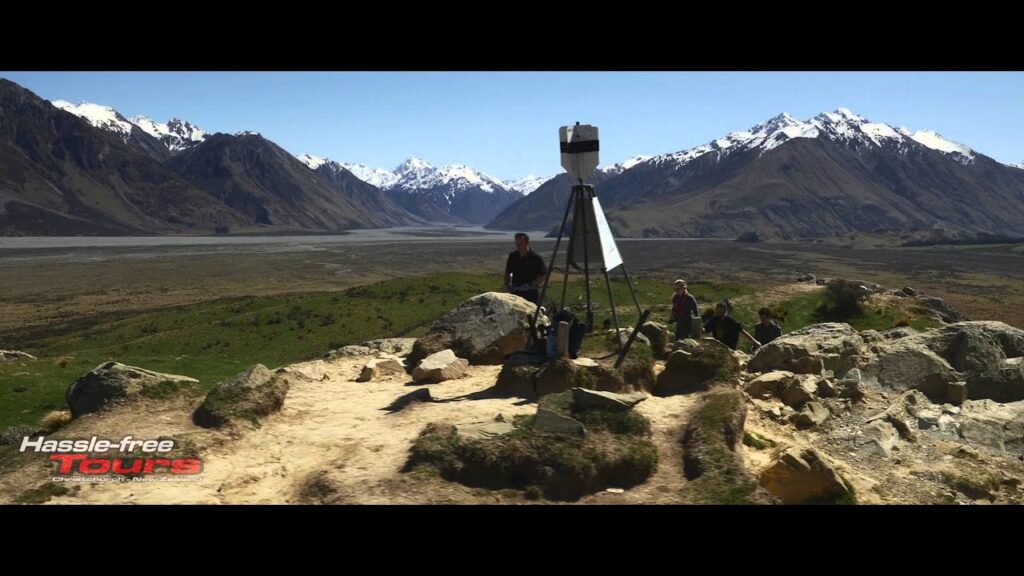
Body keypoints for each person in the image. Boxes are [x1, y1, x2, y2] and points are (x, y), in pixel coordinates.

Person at [504, 232, 547, 305]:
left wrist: (530, 284)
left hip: (530, 293)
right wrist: (507, 285)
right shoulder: (513, 256)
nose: (518, 246)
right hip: (515, 292)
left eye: (521, 243)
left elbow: (543, 275)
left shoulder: (536, 258)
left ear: (527, 243)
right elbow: (508, 272)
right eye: (517, 243)